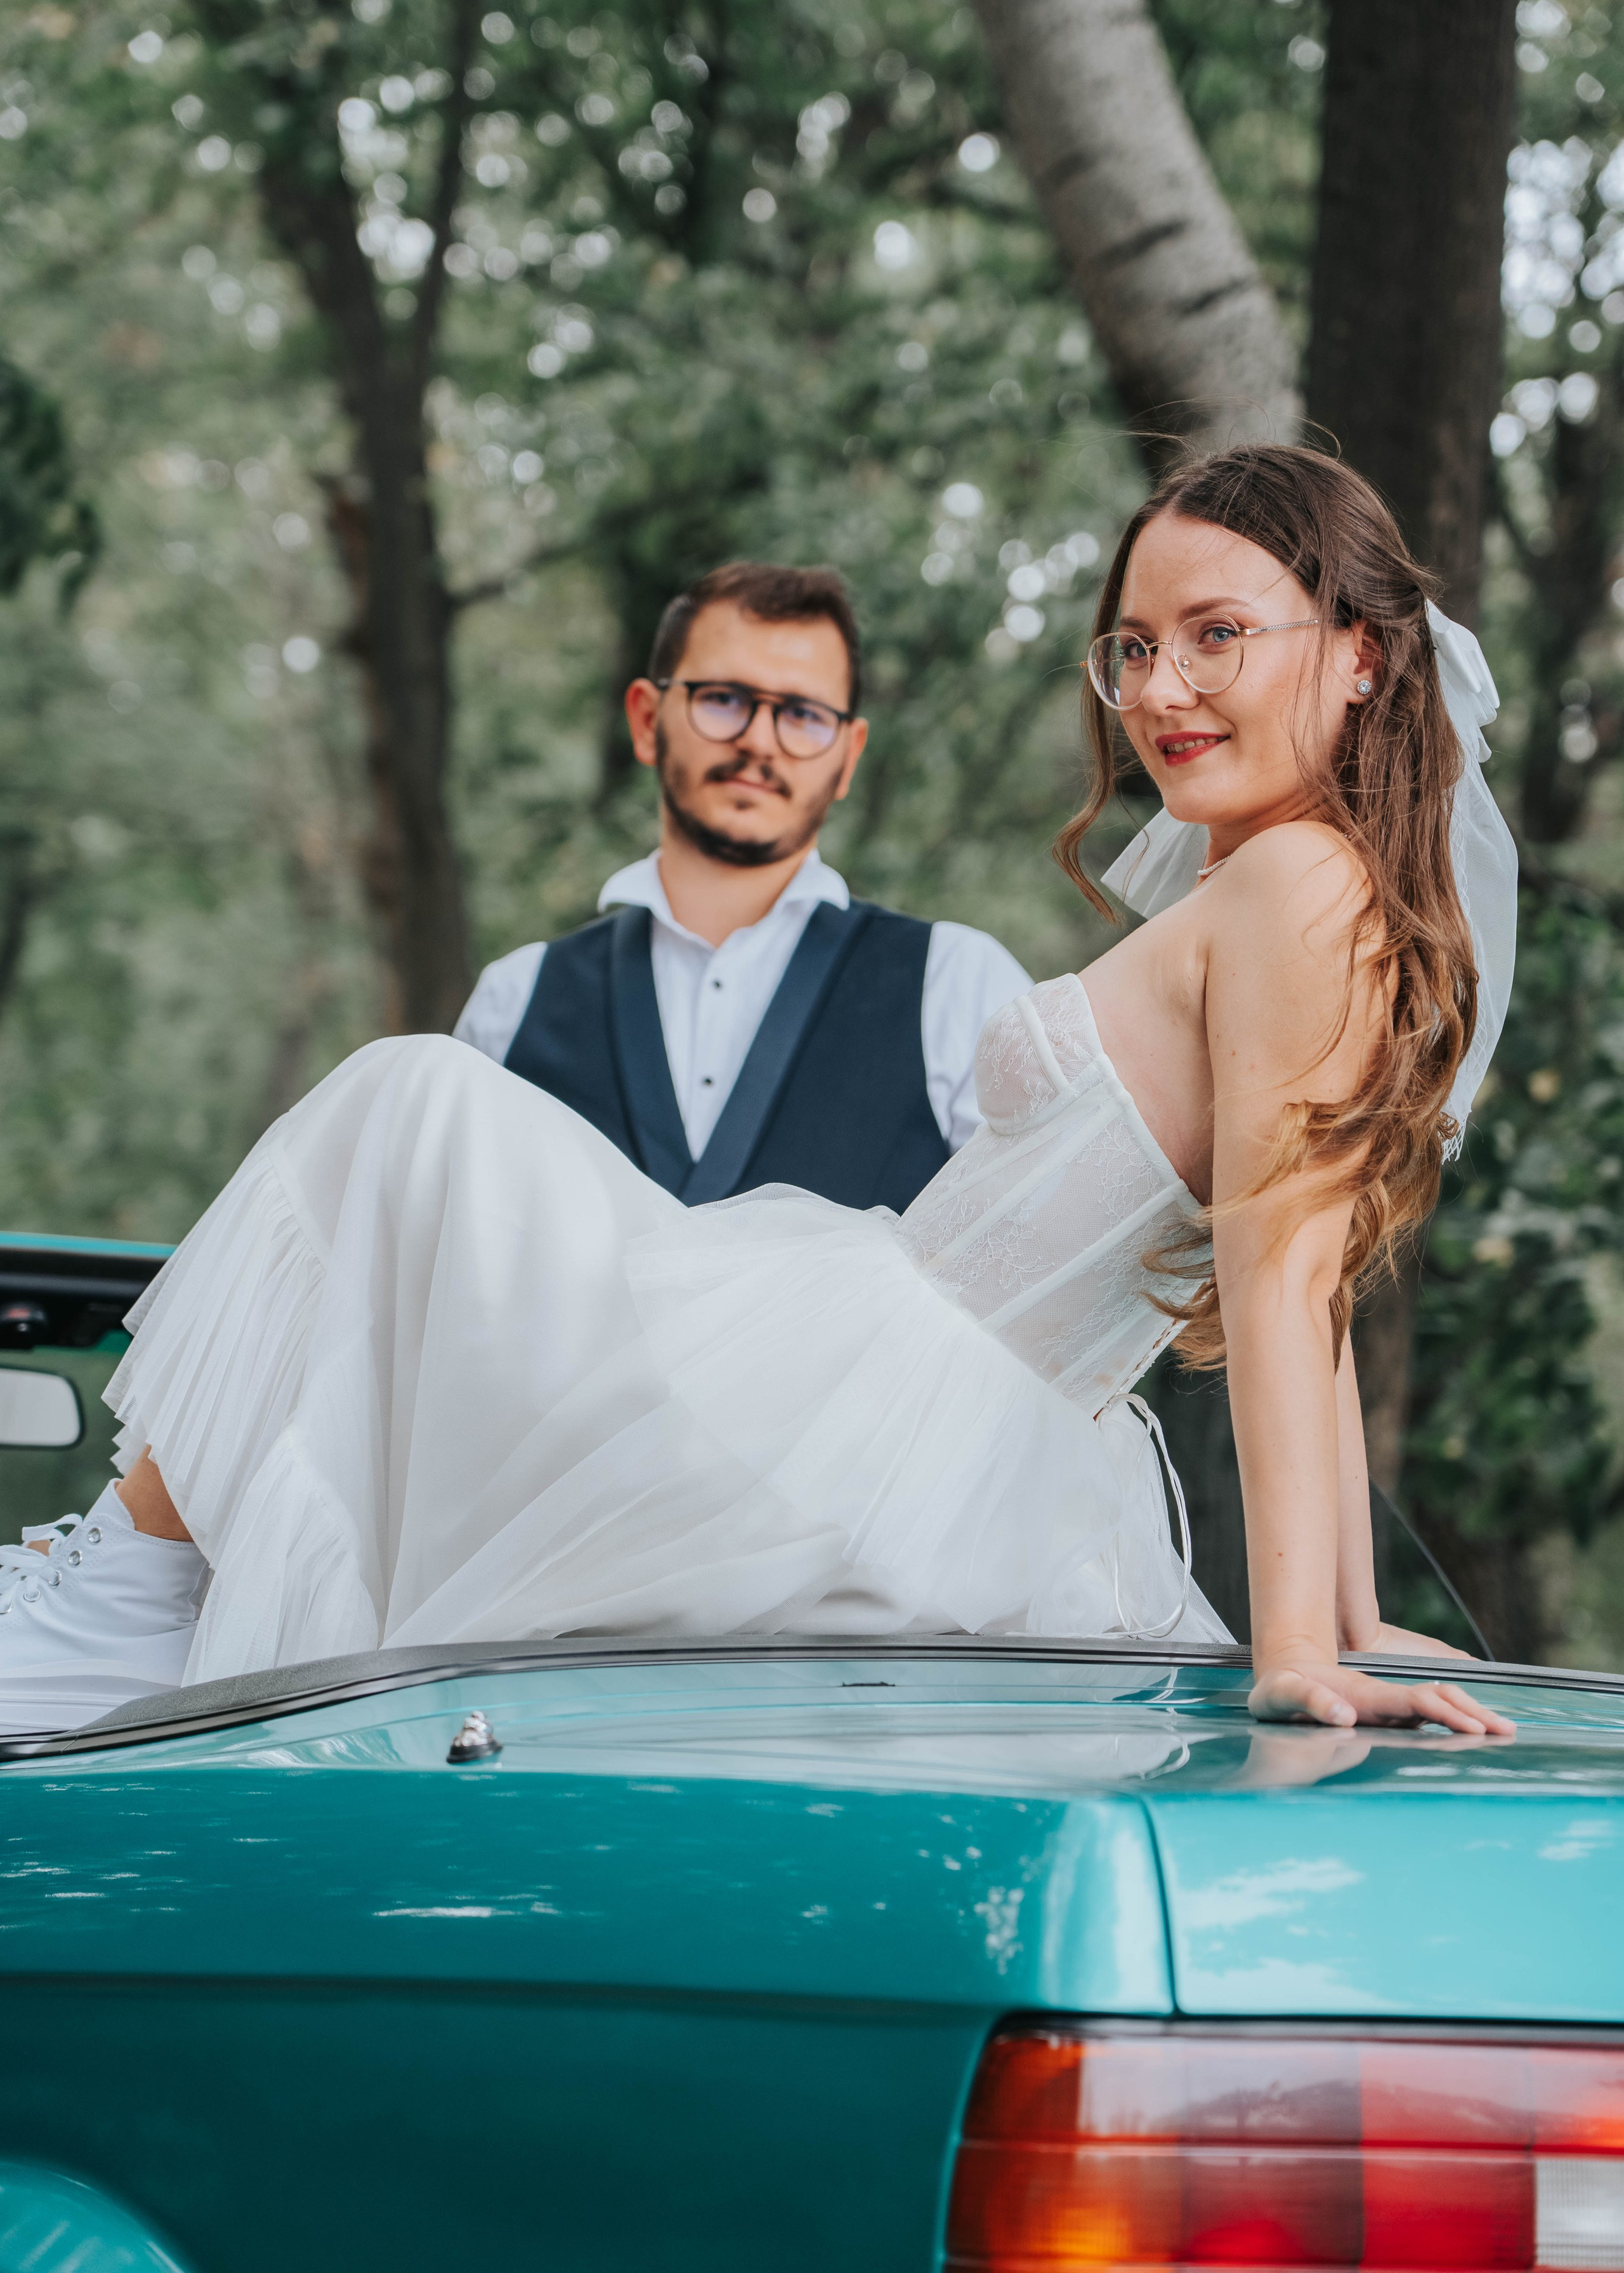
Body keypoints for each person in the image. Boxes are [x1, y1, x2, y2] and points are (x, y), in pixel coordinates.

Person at [0, 444, 1517, 1741]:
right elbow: (1300, 1267)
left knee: (404, 1113)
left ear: (1361, 650)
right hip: (943, 1441)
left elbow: (1276, 1268)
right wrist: (1345, 1614)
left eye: (1214, 636)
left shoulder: (1293, 890)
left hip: (872, 1410)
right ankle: (132, 1603)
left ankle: (108, 1606)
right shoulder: (1297, 888)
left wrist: (1302, 1653)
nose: (1158, 688)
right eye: (1130, 645)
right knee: (411, 1153)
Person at [455, 562, 1029, 1211]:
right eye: (723, 698)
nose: (760, 739)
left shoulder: (959, 987)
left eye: (804, 714)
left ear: (848, 755)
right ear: (647, 720)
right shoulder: (510, 1005)